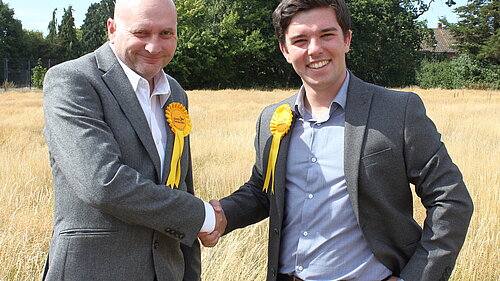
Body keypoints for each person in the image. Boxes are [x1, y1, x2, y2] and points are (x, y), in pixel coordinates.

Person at [199, 0, 473, 280]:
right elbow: (262, 190)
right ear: (285, 50)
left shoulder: (398, 111)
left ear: (347, 40)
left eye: (326, 35)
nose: (315, 49)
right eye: (301, 40)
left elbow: (451, 199)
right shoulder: (272, 119)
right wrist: (221, 215)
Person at [42, 0, 225, 280]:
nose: (154, 47)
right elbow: (103, 183)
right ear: (112, 30)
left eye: (166, 33)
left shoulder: (175, 92)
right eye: (141, 33)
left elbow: (181, 185)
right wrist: (202, 216)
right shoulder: (73, 80)